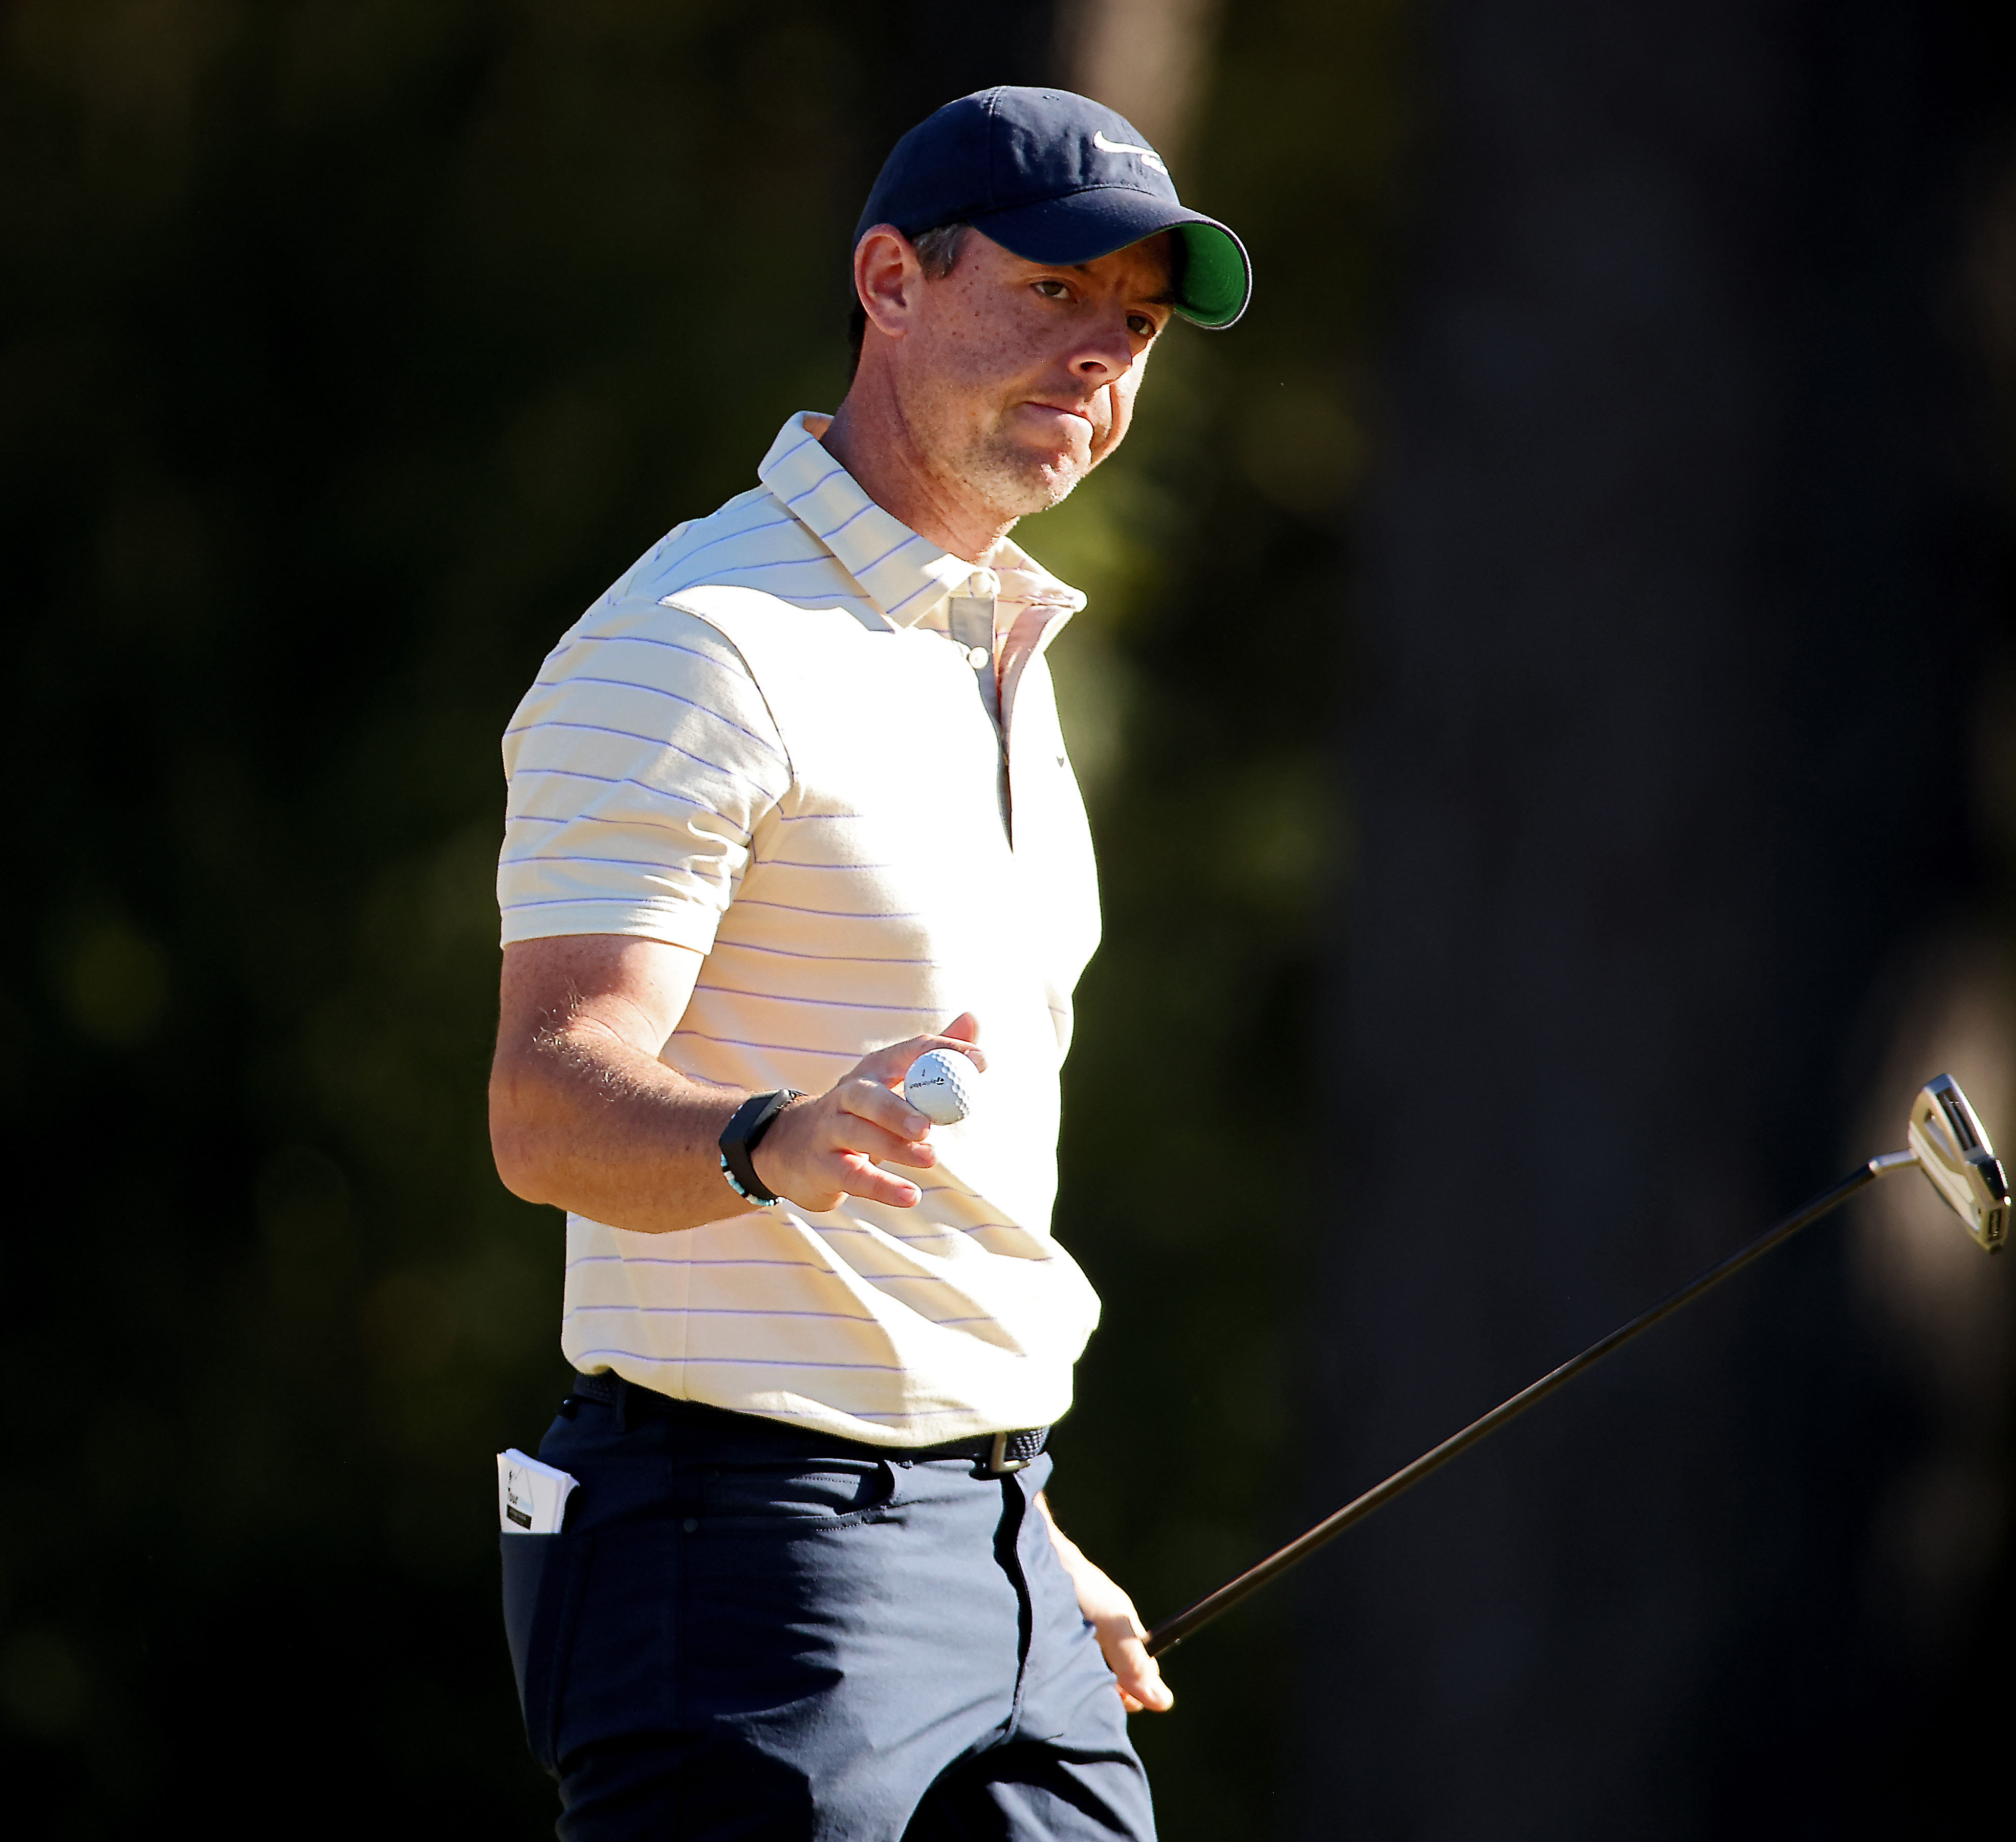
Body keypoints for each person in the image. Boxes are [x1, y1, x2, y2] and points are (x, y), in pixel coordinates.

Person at [485, 85, 1251, 1840]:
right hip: (738, 1570)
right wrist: (768, 1140)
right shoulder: (699, 645)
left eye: (1133, 323)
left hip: (996, 1553)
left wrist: (1014, 1531)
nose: (1100, 359)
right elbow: (546, 1103)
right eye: (1054, 294)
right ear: (891, 280)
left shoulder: (1001, 646)